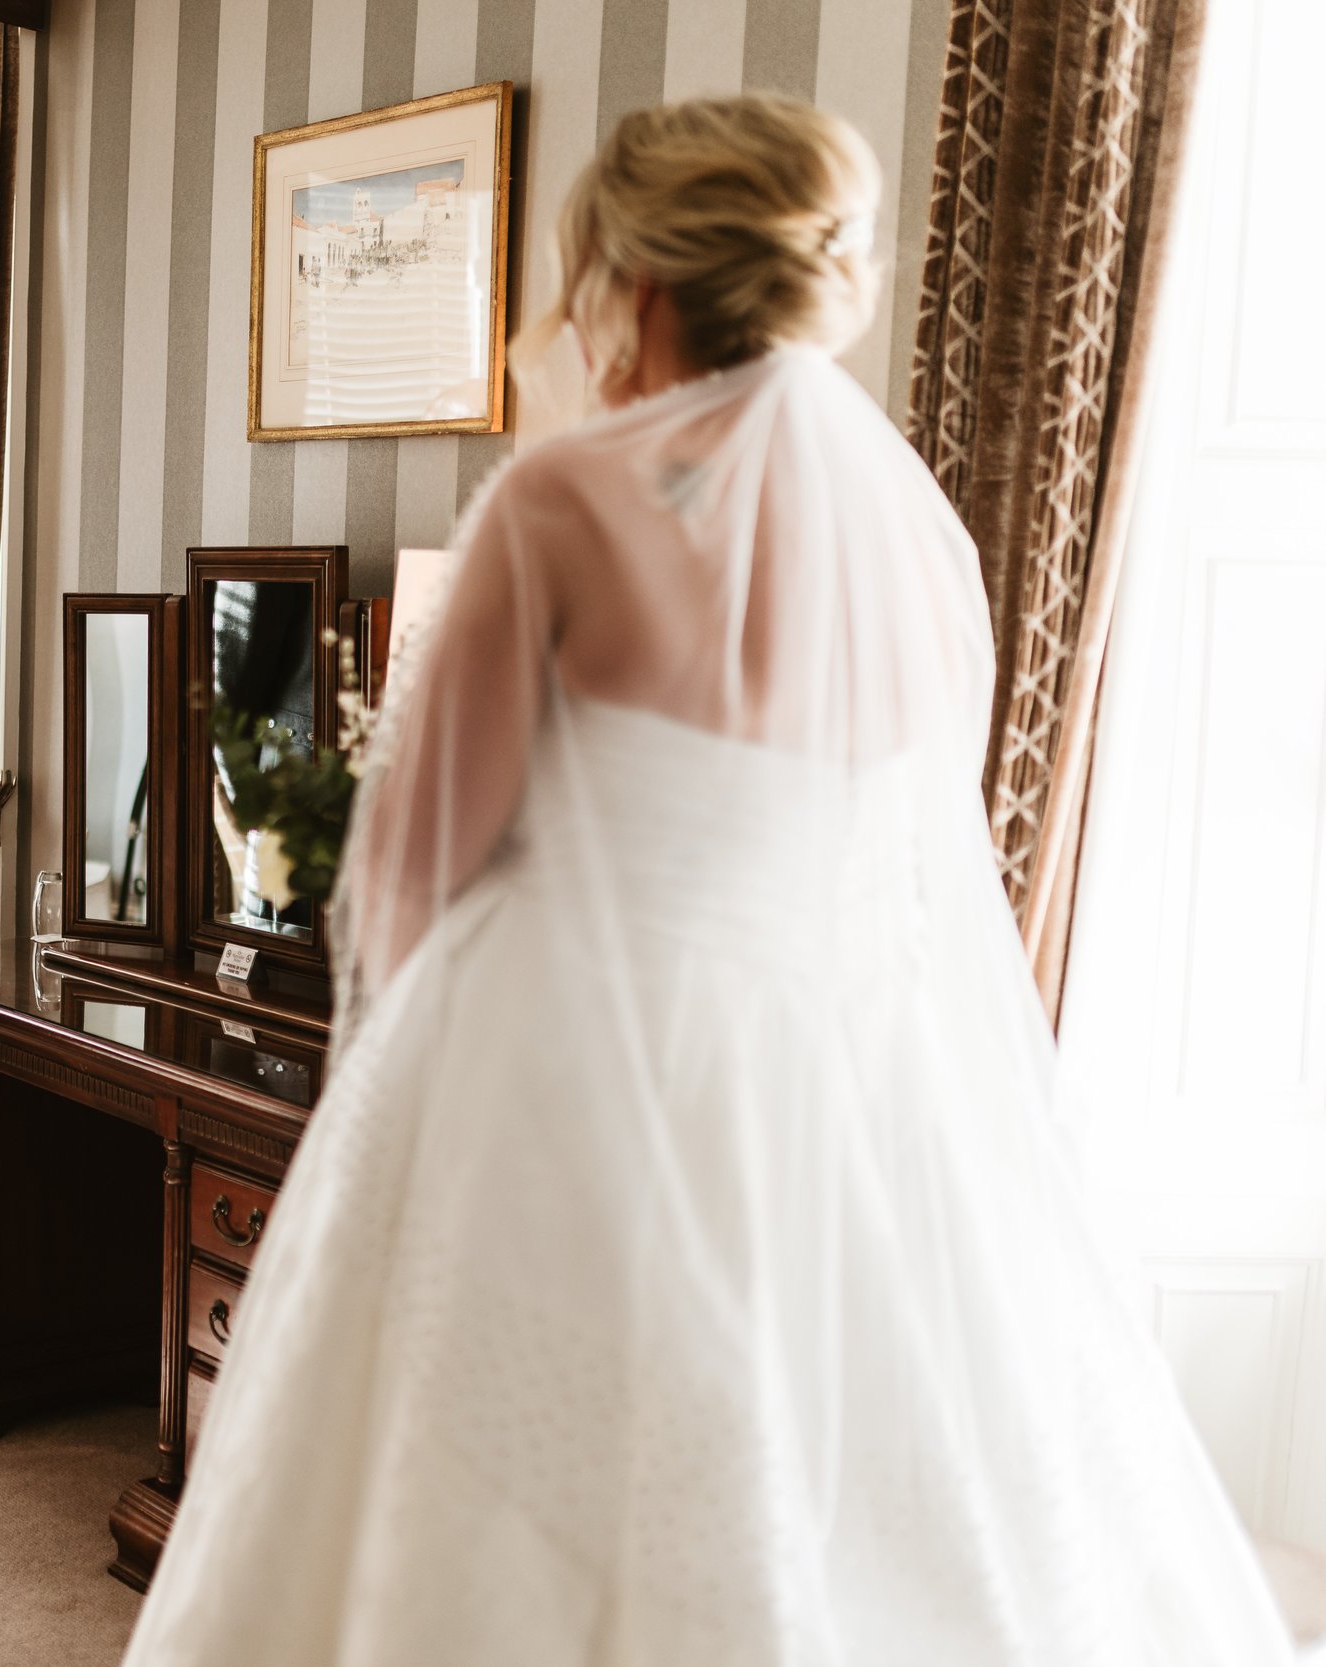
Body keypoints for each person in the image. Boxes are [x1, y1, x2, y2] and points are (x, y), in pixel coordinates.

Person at [122, 96, 1301, 1664]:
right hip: (824, 1092)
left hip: (551, 1079)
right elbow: (900, 878)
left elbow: (409, 863)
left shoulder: (562, 501)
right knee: (794, 1489)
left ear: (645, 280)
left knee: (489, 1502)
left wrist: (375, 1109)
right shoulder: (926, 550)